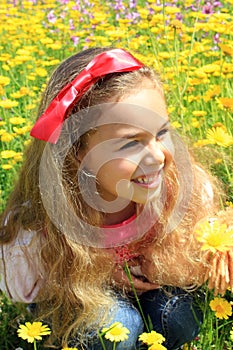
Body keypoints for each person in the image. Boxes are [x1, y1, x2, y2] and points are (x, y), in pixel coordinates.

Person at [0, 47, 230, 350]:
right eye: (130, 144)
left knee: (175, 316)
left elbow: (202, 250)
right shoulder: (43, 221)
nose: (159, 156)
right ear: (77, 151)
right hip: (77, 293)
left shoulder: (182, 190)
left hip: (153, 291)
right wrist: (98, 274)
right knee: (113, 325)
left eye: (162, 132)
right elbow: (17, 289)